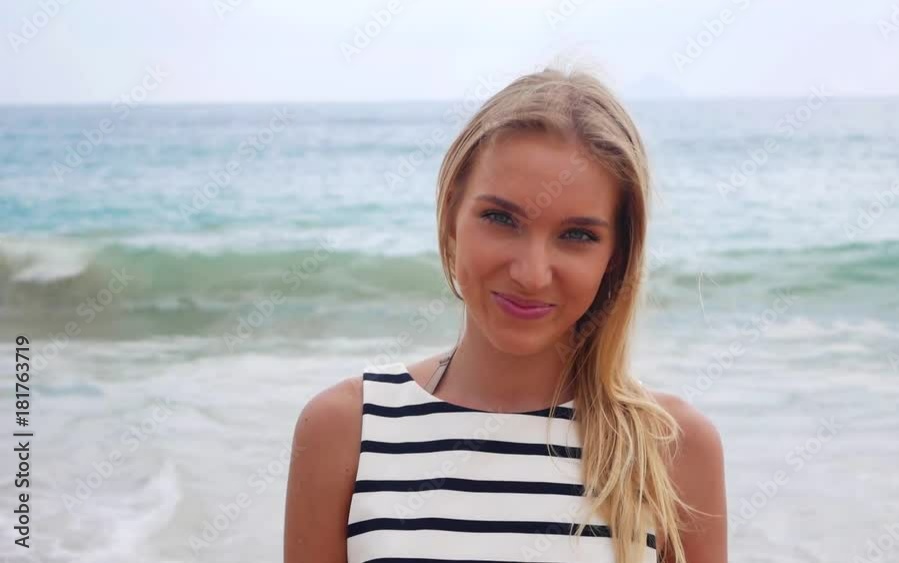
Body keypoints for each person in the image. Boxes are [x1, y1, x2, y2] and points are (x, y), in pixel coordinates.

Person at [284, 66, 727, 563]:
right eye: (501, 218)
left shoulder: (671, 450)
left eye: (577, 235)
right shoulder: (347, 431)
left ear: (616, 256)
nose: (531, 274)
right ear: (451, 215)